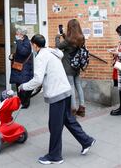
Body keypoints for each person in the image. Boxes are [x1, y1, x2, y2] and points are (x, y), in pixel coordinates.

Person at [19, 34, 95, 165]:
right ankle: (86, 140)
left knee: (54, 125)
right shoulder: (52, 52)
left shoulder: (41, 57)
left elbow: (37, 80)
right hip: (65, 91)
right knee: (67, 119)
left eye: (32, 45)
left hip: (57, 94)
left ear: (35, 45)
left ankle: (55, 156)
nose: (32, 47)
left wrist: (23, 87)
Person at [55, 19, 86, 117]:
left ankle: (72, 110)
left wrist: (57, 36)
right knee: (78, 86)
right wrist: (64, 35)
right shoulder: (81, 37)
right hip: (77, 66)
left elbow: (59, 46)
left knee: (71, 86)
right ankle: (81, 108)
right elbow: (71, 44)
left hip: (68, 66)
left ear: (70, 28)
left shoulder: (68, 40)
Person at [10, 28, 33, 108]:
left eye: (17, 34)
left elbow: (23, 52)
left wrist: (18, 41)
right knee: (18, 85)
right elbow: (18, 52)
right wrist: (12, 56)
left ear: (21, 35)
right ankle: (20, 101)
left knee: (23, 85)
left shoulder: (26, 42)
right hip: (18, 67)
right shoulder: (20, 41)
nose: (16, 35)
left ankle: (25, 103)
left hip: (24, 68)